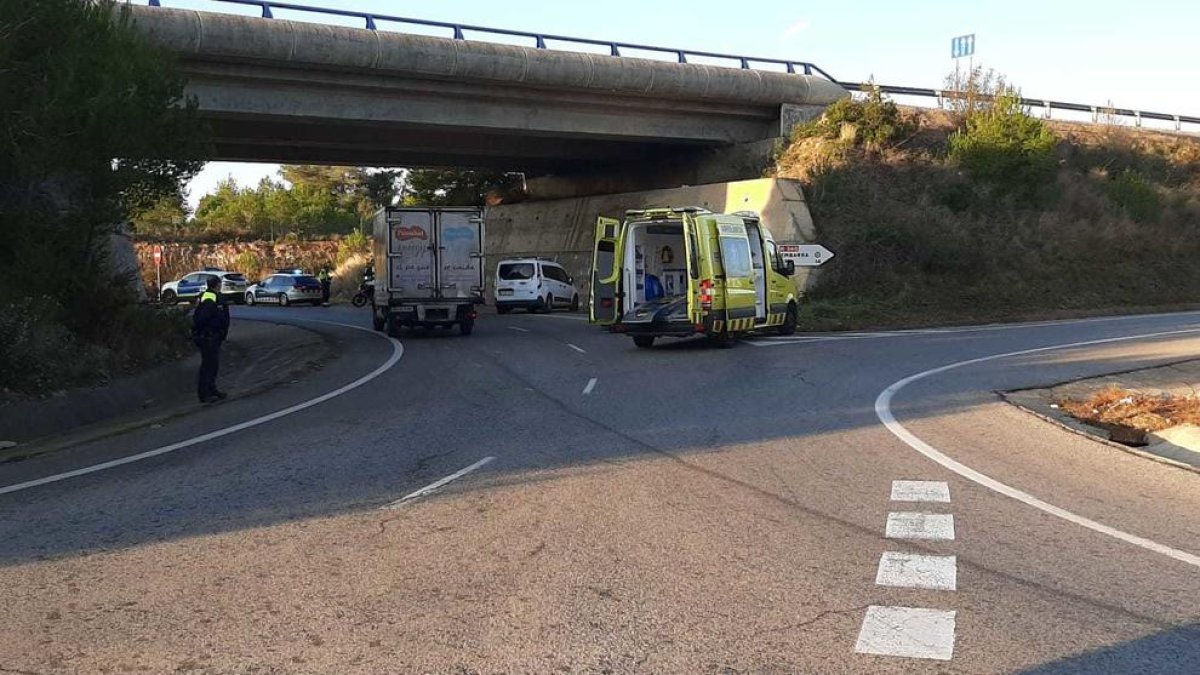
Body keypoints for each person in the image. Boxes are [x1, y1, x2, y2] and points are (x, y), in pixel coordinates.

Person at [192, 276, 230, 404]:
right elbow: (204, 317)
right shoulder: (210, 297)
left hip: (213, 335)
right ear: (217, 284)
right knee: (208, 365)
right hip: (208, 336)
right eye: (220, 283)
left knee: (213, 365)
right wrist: (208, 331)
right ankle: (205, 393)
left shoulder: (211, 296)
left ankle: (211, 389)